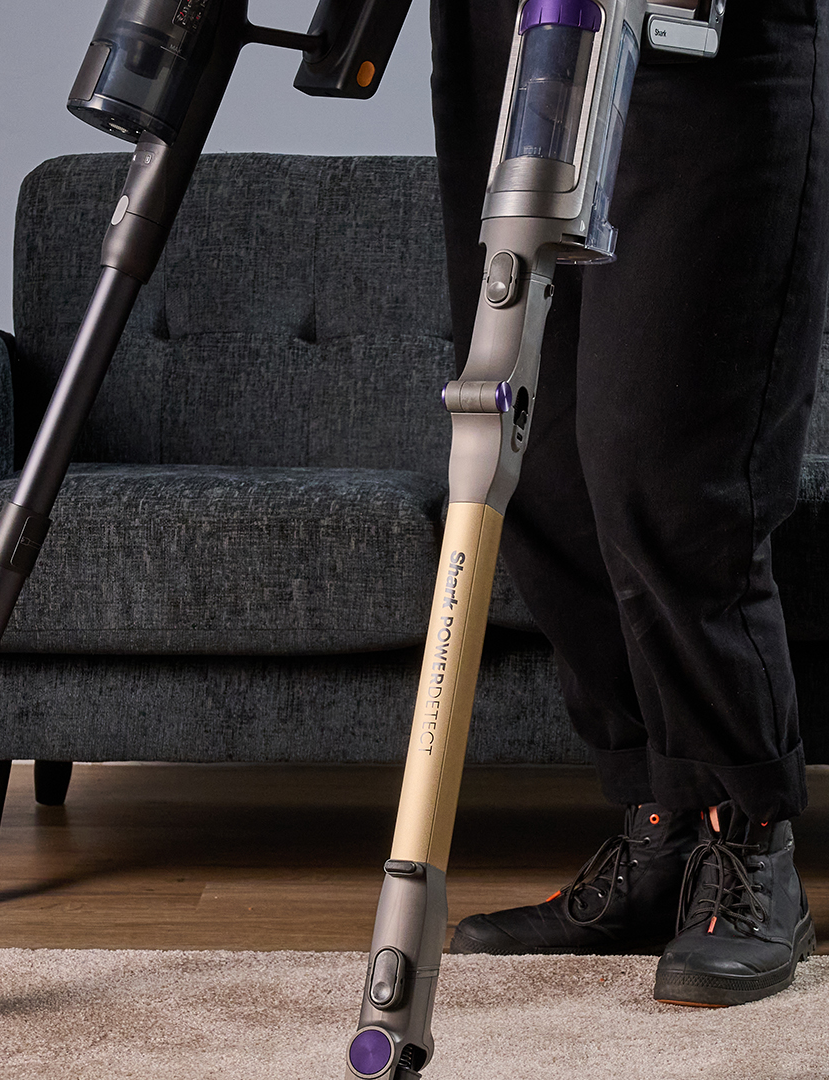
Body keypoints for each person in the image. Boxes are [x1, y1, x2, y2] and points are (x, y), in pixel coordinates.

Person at [430, 0, 828, 1006]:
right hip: (510, 28)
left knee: (662, 461)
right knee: (536, 457)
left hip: (701, 31)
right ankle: (660, 828)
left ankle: (744, 838)